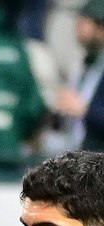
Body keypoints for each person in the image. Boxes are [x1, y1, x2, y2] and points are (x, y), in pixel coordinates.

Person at [51, 0, 104, 152]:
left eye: (83, 23)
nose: (77, 28)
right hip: (78, 156)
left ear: (100, 27)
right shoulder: (84, 63)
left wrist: (85, 110)